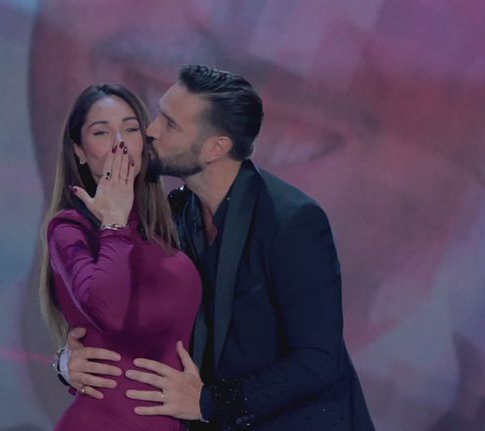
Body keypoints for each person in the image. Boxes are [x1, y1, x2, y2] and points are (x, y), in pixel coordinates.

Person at [57, 65, 375, 430]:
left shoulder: (291, 222)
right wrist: (67, 362)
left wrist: (211, 402)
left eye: (170, 124)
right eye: (159, 114)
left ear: (215, 148)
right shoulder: (173, 214)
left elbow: (318, 361)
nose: (151, 130)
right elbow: (128, 316)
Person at [39, 84, 202, 430]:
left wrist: (210, 401)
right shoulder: (70, 229)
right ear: (79, 151)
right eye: (101, 132)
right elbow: (108, 313)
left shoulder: (171, 222)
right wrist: (113, 223)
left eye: (130, 129)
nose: (120, 143)